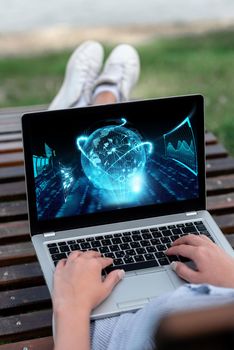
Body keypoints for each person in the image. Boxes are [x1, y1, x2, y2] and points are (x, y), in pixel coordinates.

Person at [50, 41, 234, 350]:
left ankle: (94, 100)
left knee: (69, 262)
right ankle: (103, 98)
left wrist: (71, 308)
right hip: (214, 289)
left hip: (98, 325)